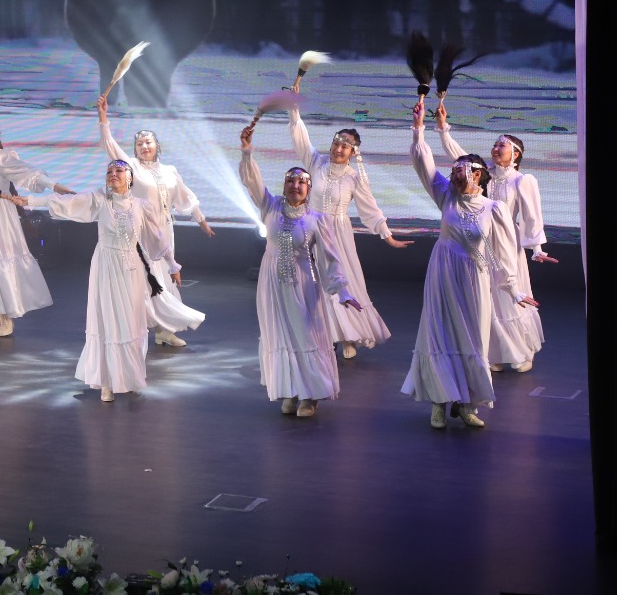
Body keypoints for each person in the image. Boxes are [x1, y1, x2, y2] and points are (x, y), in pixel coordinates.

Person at [403, 101, 541, 429]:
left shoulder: (494, 209)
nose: (453, 175)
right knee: (438, 335)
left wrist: (512, 288)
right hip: (442, 275)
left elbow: (503, 253)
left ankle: (467, 404)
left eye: (459, 171)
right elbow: (423, 164)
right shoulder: (446, 196)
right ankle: (438, 403)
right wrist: (419, 128)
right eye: (453, 171)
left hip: (475, 279)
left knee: (475, 339)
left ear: (477, 174)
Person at [21, 161, 206, 402]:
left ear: (130, 177)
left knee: (131, 322)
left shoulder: (142, 206)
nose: (113, 174)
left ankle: (129, 376)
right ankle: (106, 381)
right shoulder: (100, 200)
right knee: (107, 320)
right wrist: (30, 201)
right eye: (109, 171)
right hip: (106, 267)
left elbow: (158, 238)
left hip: (132, 269)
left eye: (119, 171)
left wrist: (172, 265)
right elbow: (69, 203)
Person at [238, 123, 363, 417]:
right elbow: (252, 181)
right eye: (290, 181)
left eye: (301, 182)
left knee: (307, 335)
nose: (295, 185)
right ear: (284, 186)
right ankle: (291, 389)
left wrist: (342, 291)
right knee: (279, 335)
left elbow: (331, 258)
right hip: (272, 285)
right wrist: (246, 152)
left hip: (304, 284)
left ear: (309, 189)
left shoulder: (317, 219)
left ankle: (311, 395)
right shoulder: (271, 207)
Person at [437, 103, 555, 373]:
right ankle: (496, 352)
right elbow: (460, 157)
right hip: (482, 241)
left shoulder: (522, 180)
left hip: (508, 242)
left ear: (516, 154)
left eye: (501, 145)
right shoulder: (485, 175)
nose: (495, 148)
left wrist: (536, 248)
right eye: (495, 144)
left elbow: (531, 215)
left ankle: (523, 351)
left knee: (510, 293)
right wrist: (444, 130)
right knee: (487, 295)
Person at [287, 107, 413, 359]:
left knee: (341, 281)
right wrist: (294, 112)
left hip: (337, 235)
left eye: (345, 147)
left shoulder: (354, 178)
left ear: (353, 153)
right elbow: (301, 139)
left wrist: (387, 236)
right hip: (310, 231)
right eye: (336, 143)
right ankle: (321, 335)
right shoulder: (316, 163)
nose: (338, 149)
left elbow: (370, 209)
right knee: (312, 282)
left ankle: (348, 335)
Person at [97, 97, 215, 347]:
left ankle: (164, 331)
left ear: (157, 145)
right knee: (144, 281)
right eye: (139, 143)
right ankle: (133, 330)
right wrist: (103, 117)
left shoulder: (169, 171)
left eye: (148, 142)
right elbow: (110, 146)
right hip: (139, 231)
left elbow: (185, 196)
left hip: (164, 230)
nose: (144, 146)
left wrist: (202, 221)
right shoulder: (132, 167)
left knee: (165, 280)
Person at [0, 116, 68, 336]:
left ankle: (6, 314)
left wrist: (53, 185)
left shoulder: (3, 156)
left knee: (0, 261)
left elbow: (27, 172)